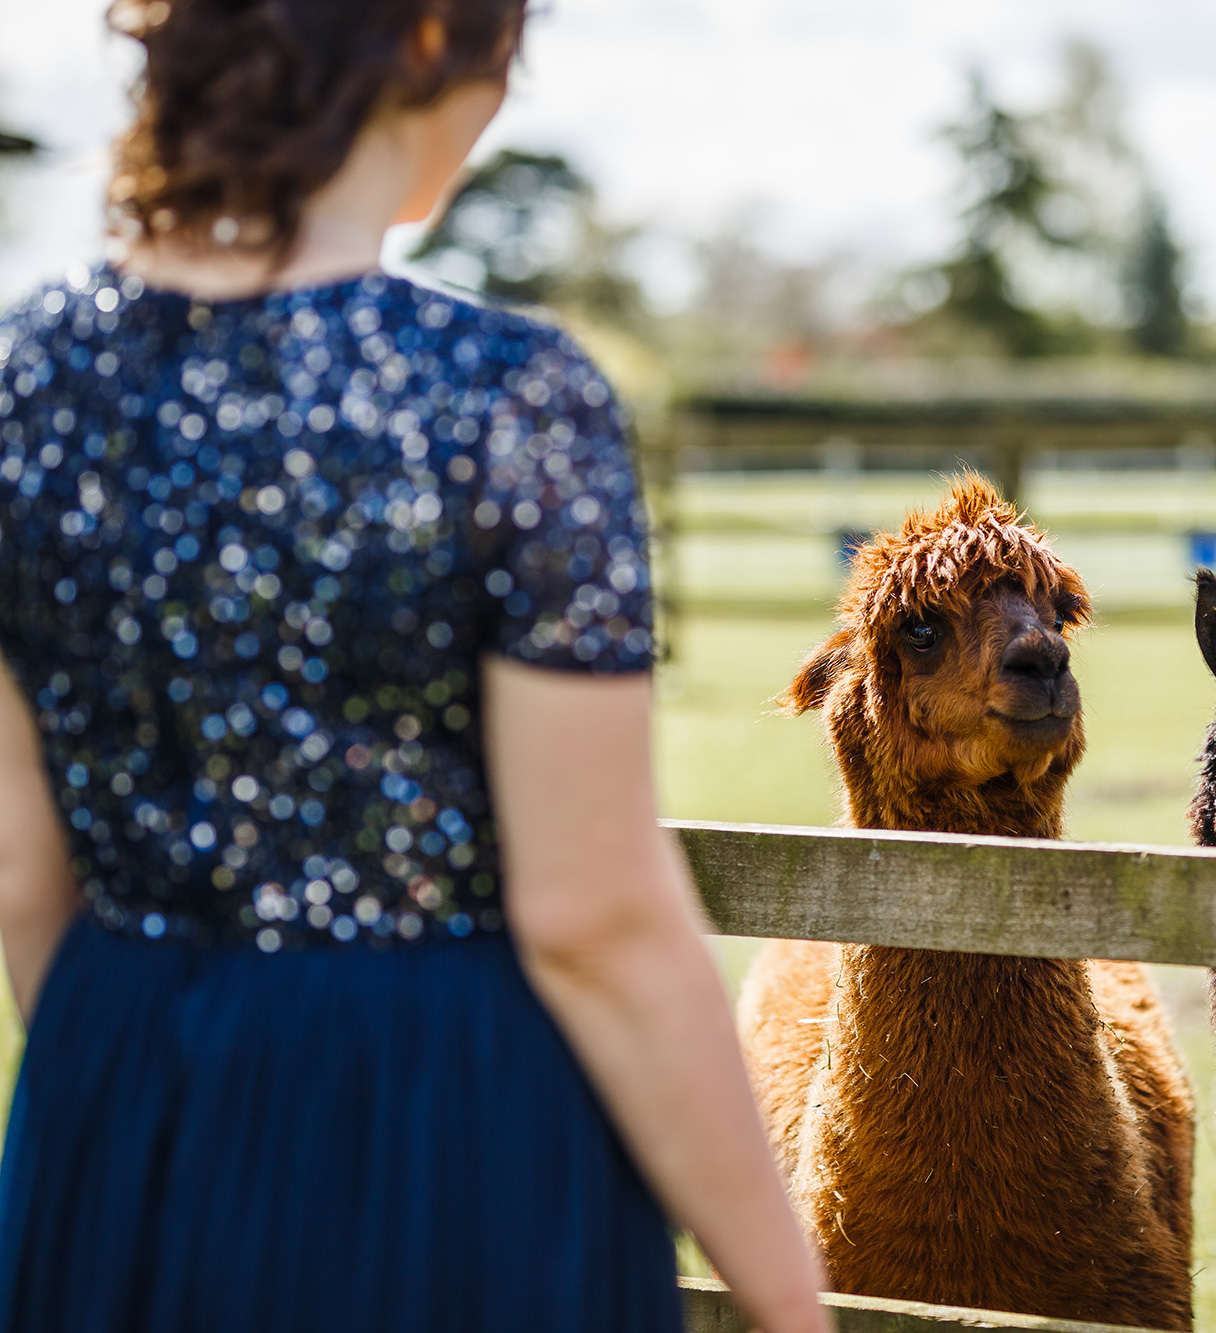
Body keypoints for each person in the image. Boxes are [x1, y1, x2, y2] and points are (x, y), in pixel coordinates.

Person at [0, 4, 827, 1331]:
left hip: (119, 1107)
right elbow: (596, 918)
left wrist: (152, 1105)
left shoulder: (29, 380)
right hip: (447, 1129)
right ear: (435, 37)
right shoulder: (506, 400)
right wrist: (791, 1300)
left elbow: (22, 869)